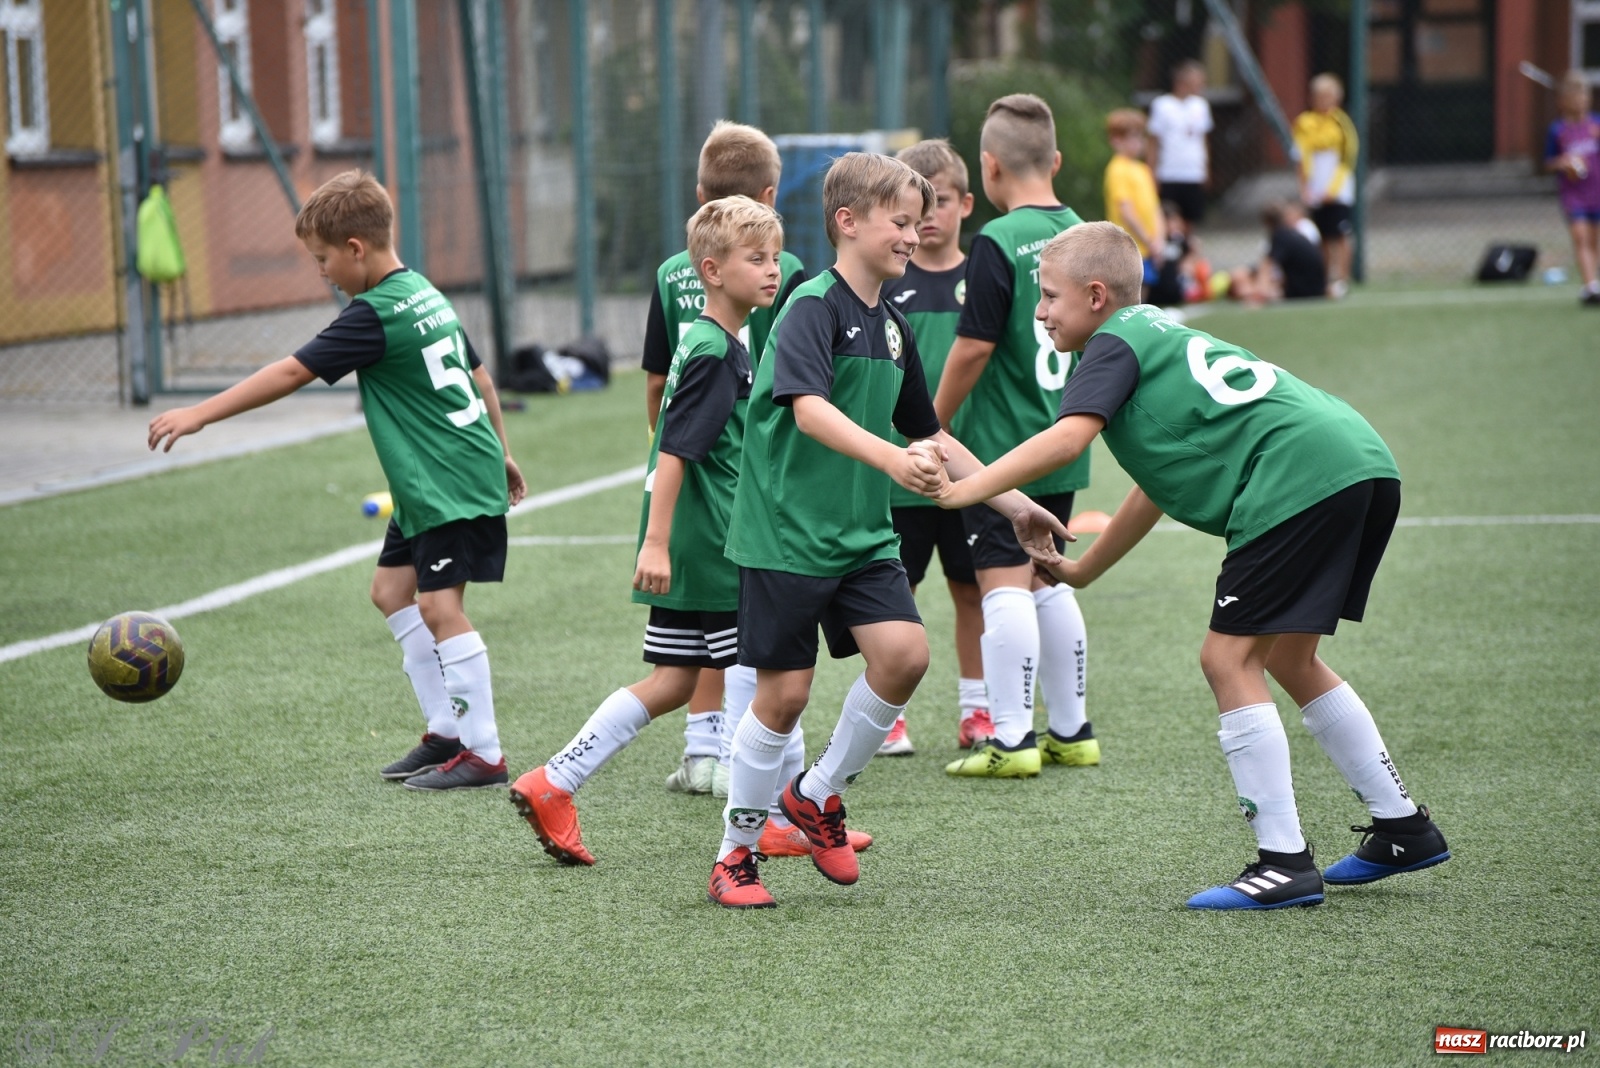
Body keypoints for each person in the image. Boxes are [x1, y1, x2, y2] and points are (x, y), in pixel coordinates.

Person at [929, 221, 1451, 910]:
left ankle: (1283, 861)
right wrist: (1084, 572)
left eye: (1050, 297)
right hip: (1358, 461)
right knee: (1292, 659)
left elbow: (1065, 441)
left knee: (1227, 661)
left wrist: (966, 490)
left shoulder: (1109, 346)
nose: (1041, 312)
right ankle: (1402, 826)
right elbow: (1156, 483)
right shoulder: (1155, 334)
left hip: (1296, 477)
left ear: (1094, 295)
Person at [708, 153, 1067, 908]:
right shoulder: (813, 305)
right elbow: (808, 407)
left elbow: (930, 433)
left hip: (860, 536)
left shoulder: (892, 324)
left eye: (919, 221)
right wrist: (892, 462)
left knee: (905, 655)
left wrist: (1014, 504)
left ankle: (816, 795)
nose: (916, 233)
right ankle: (735, 855)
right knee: (785, 697)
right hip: (785, 535)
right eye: (899, 222)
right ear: (848, 222)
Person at [508, 197, 864, 864]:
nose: (772, 271)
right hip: (717, 543)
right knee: (776, 674)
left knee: (674, 679)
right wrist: (657, 541)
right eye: (755, 260)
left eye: (775, 257)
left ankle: (554, 780)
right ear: (713, 270)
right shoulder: (711, 350)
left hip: (700, 539)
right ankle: (778, 816)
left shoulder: (715, 340)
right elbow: (675, 449)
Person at [147, 170, 526, 790]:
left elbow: (290, 373)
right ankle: (445, 731)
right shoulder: (425, 292)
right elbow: (480, 378)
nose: (321, 272)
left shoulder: (372, 315)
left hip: (446, 482)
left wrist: (198, 414)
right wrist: (500, 452)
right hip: (440, 477)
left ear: (356, 248)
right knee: (389, 591)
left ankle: (483, 753)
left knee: (438, 606)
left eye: (323, 259)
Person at [640, 121, 810, 797]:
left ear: (700, 193)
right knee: (746, 625)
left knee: (705, 624)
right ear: (770, 194)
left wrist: (664, 449)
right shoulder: (791, 272)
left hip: (685, 465)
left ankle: (706, 749)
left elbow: (657, 382)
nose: (768, 269)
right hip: (750, 466)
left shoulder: (669, 271)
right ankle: (757, 779)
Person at [934, 93, 1095, 779]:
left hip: (1001, 446)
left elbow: (973, 348)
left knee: (1002, 581)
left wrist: (930, 420)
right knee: (1047, 576)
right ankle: (1071, 729)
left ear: (989, 169)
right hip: (1065, 435)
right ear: (1055, 162)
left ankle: (1010, 740)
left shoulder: (996, 242)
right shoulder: (1087, 232)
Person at [877, 138, 989, 756]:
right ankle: (891, 713)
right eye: (912, 206)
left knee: (972, 590)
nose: (927, 217)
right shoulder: (891, 281)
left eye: (938, 200)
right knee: (900, 590)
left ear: (965, 204)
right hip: (906, 469)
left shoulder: (984, 277)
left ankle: (977, 711)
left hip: (971, 468)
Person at [1293, 73, 1359, 298]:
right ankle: (1323, 279)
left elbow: (1348, 159)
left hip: (1337, 190)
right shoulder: (1304, 122)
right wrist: (1305, 188)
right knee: (1321, 236)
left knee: (1340, 234)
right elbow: (1301, 158)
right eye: (1320, 96)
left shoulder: (1341, 122)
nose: (1325, 101)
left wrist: (1333, 190)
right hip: (1315, 189)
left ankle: (1342, 279)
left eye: (1329, 96)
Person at [1544, 70, 1600, 306]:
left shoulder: (1596, 125)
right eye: (1573, 95)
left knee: (1595, 240)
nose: (1578, 100)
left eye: (1582, 95)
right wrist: (1564, 163)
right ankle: (1589, 286)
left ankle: (1594, 282)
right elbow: (1548, 162)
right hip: (1573, 194)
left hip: (1596, 190)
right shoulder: (1558, 130)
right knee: (1580, 237)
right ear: (1563, 100)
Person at [1103, 108, 1166, 301]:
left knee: (1144, 295)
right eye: (1131, 137)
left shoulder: (1143, 169)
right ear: (1116, 140)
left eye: (1140, 136)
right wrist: (1148, 240)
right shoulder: (1117, 169)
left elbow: (1155, 209)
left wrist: (1159, 242)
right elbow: (1126, 211)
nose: (1137, 142)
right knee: (1131, 299)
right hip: (1129, 248)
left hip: (1148, 248)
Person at [1146, 59, 1213, 227]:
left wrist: (1205, 168)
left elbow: (1203, 139)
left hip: (1193, 172)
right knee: (1169, 218)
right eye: (1197, 82)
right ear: (1182, 82)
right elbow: (1154, 142)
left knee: (1191, 220)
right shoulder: (1162, 105)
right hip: (1169, 172)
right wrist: (1152, 172)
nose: (1201, 86)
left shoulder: (1201, 105)